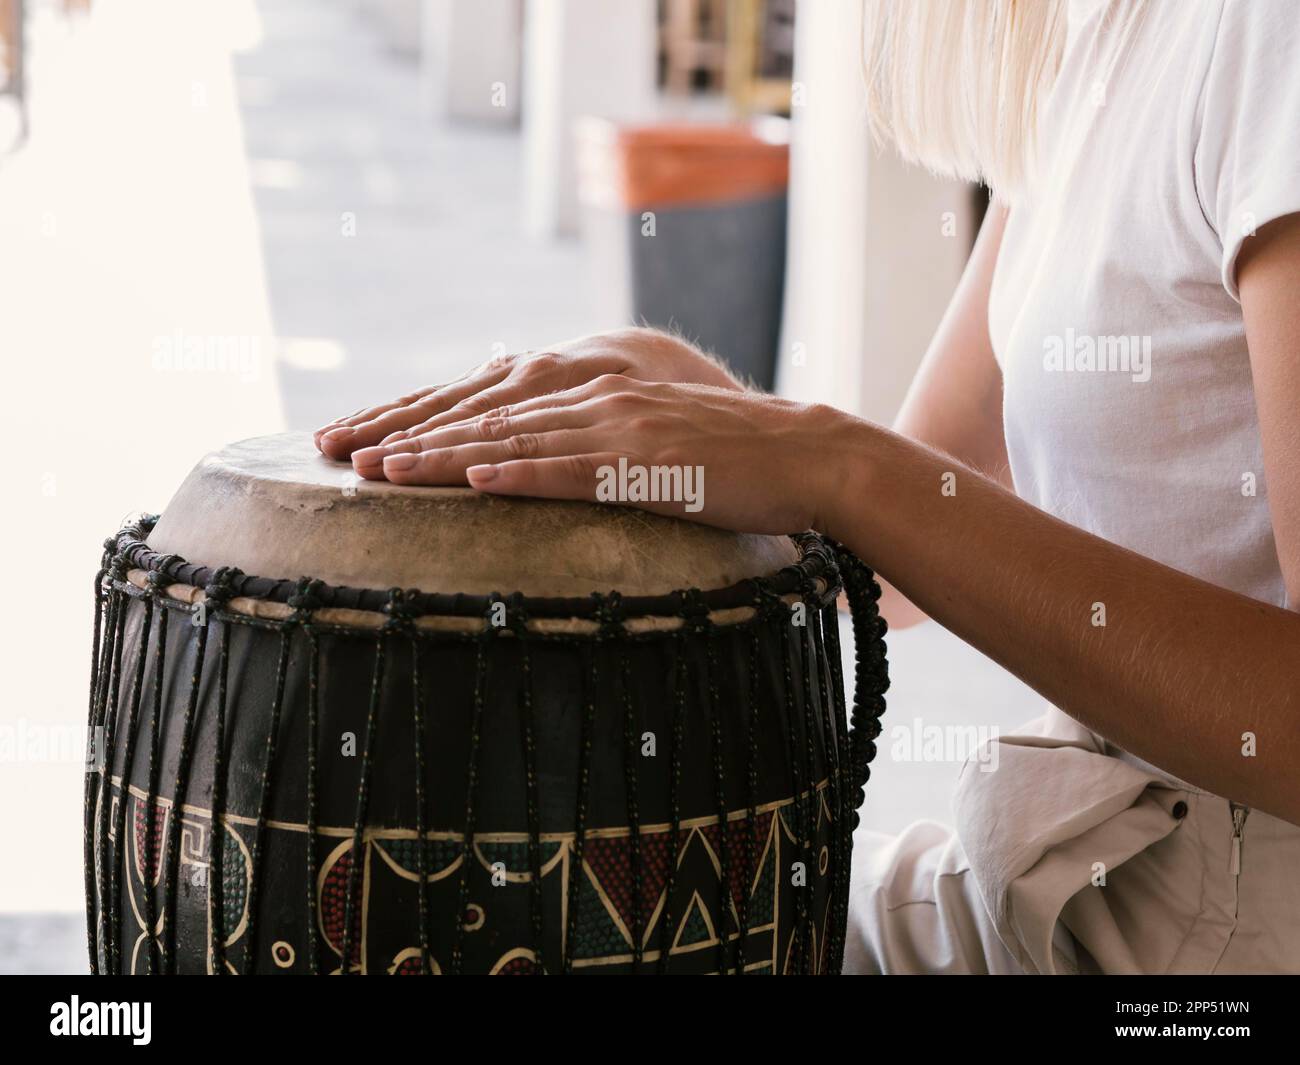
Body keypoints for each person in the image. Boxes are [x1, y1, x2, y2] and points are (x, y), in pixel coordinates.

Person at [313, 0, 1300, 973]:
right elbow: (904, 556)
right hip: (1076, 868)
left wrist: (834, 464)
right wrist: (704, 409)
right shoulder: (1100, 34)